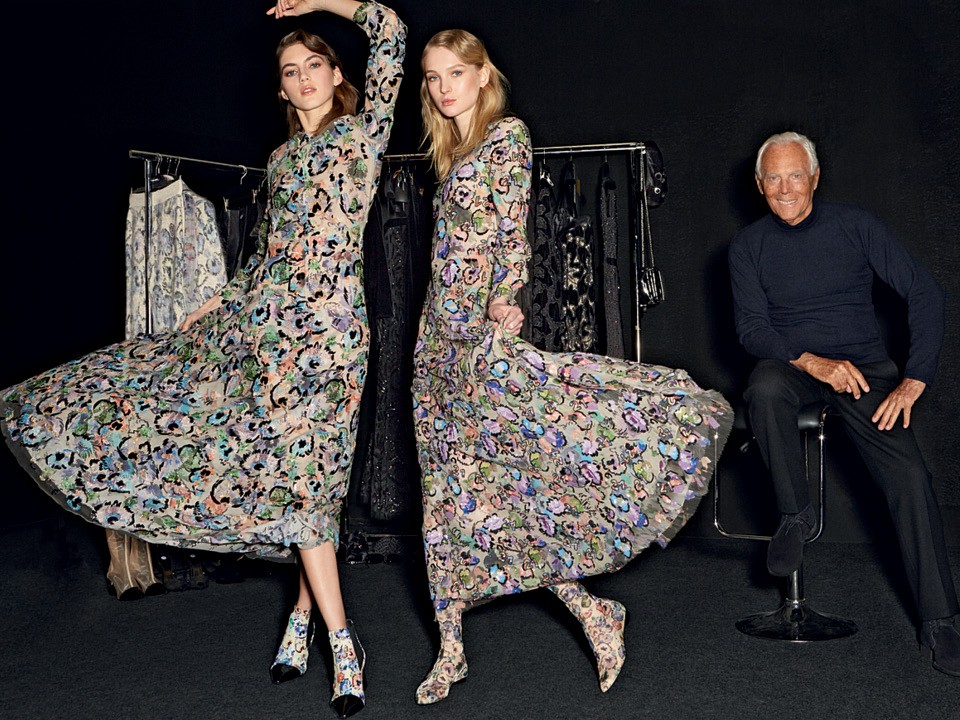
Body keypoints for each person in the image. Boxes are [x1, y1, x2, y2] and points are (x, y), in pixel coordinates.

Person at [0, 1, 406, 716]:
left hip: (334, 338)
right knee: (302, 483)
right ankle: (325, 631)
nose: (305, 78)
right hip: (268, 335)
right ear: (280, 88)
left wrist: (320, 3)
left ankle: (325, 631)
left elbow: (391, 30)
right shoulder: (279, 160)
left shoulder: (363, 135)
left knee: (317, 481)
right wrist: (220, 301)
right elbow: (267, 254)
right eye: (291, 70)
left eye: (315, 65)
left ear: (337, 74)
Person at [410, 29, 732, 704]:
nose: (443, 88)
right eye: (433, 77)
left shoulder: (506, 137)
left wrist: (506, 297)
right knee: (444, 498)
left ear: (482, 75)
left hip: (478, 339)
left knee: (515, 486)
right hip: (433, 343)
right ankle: (452, 648)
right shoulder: (449, 154)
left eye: (455, 74)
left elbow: (513, 233)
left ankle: (591, 611)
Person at [728, 130, 960, 677]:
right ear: (759, 185)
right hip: (794, 367)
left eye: (795, 175)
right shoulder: (747, 247)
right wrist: (810, 362)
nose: (785, 188)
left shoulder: (855, 226)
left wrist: (915, 378)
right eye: (773, 178)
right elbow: (752, 329)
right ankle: (795, 515)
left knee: (910, 478)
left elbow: (925, 292)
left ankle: (942, 622)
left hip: (864, 373)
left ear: (815, 177)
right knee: (764, 386)